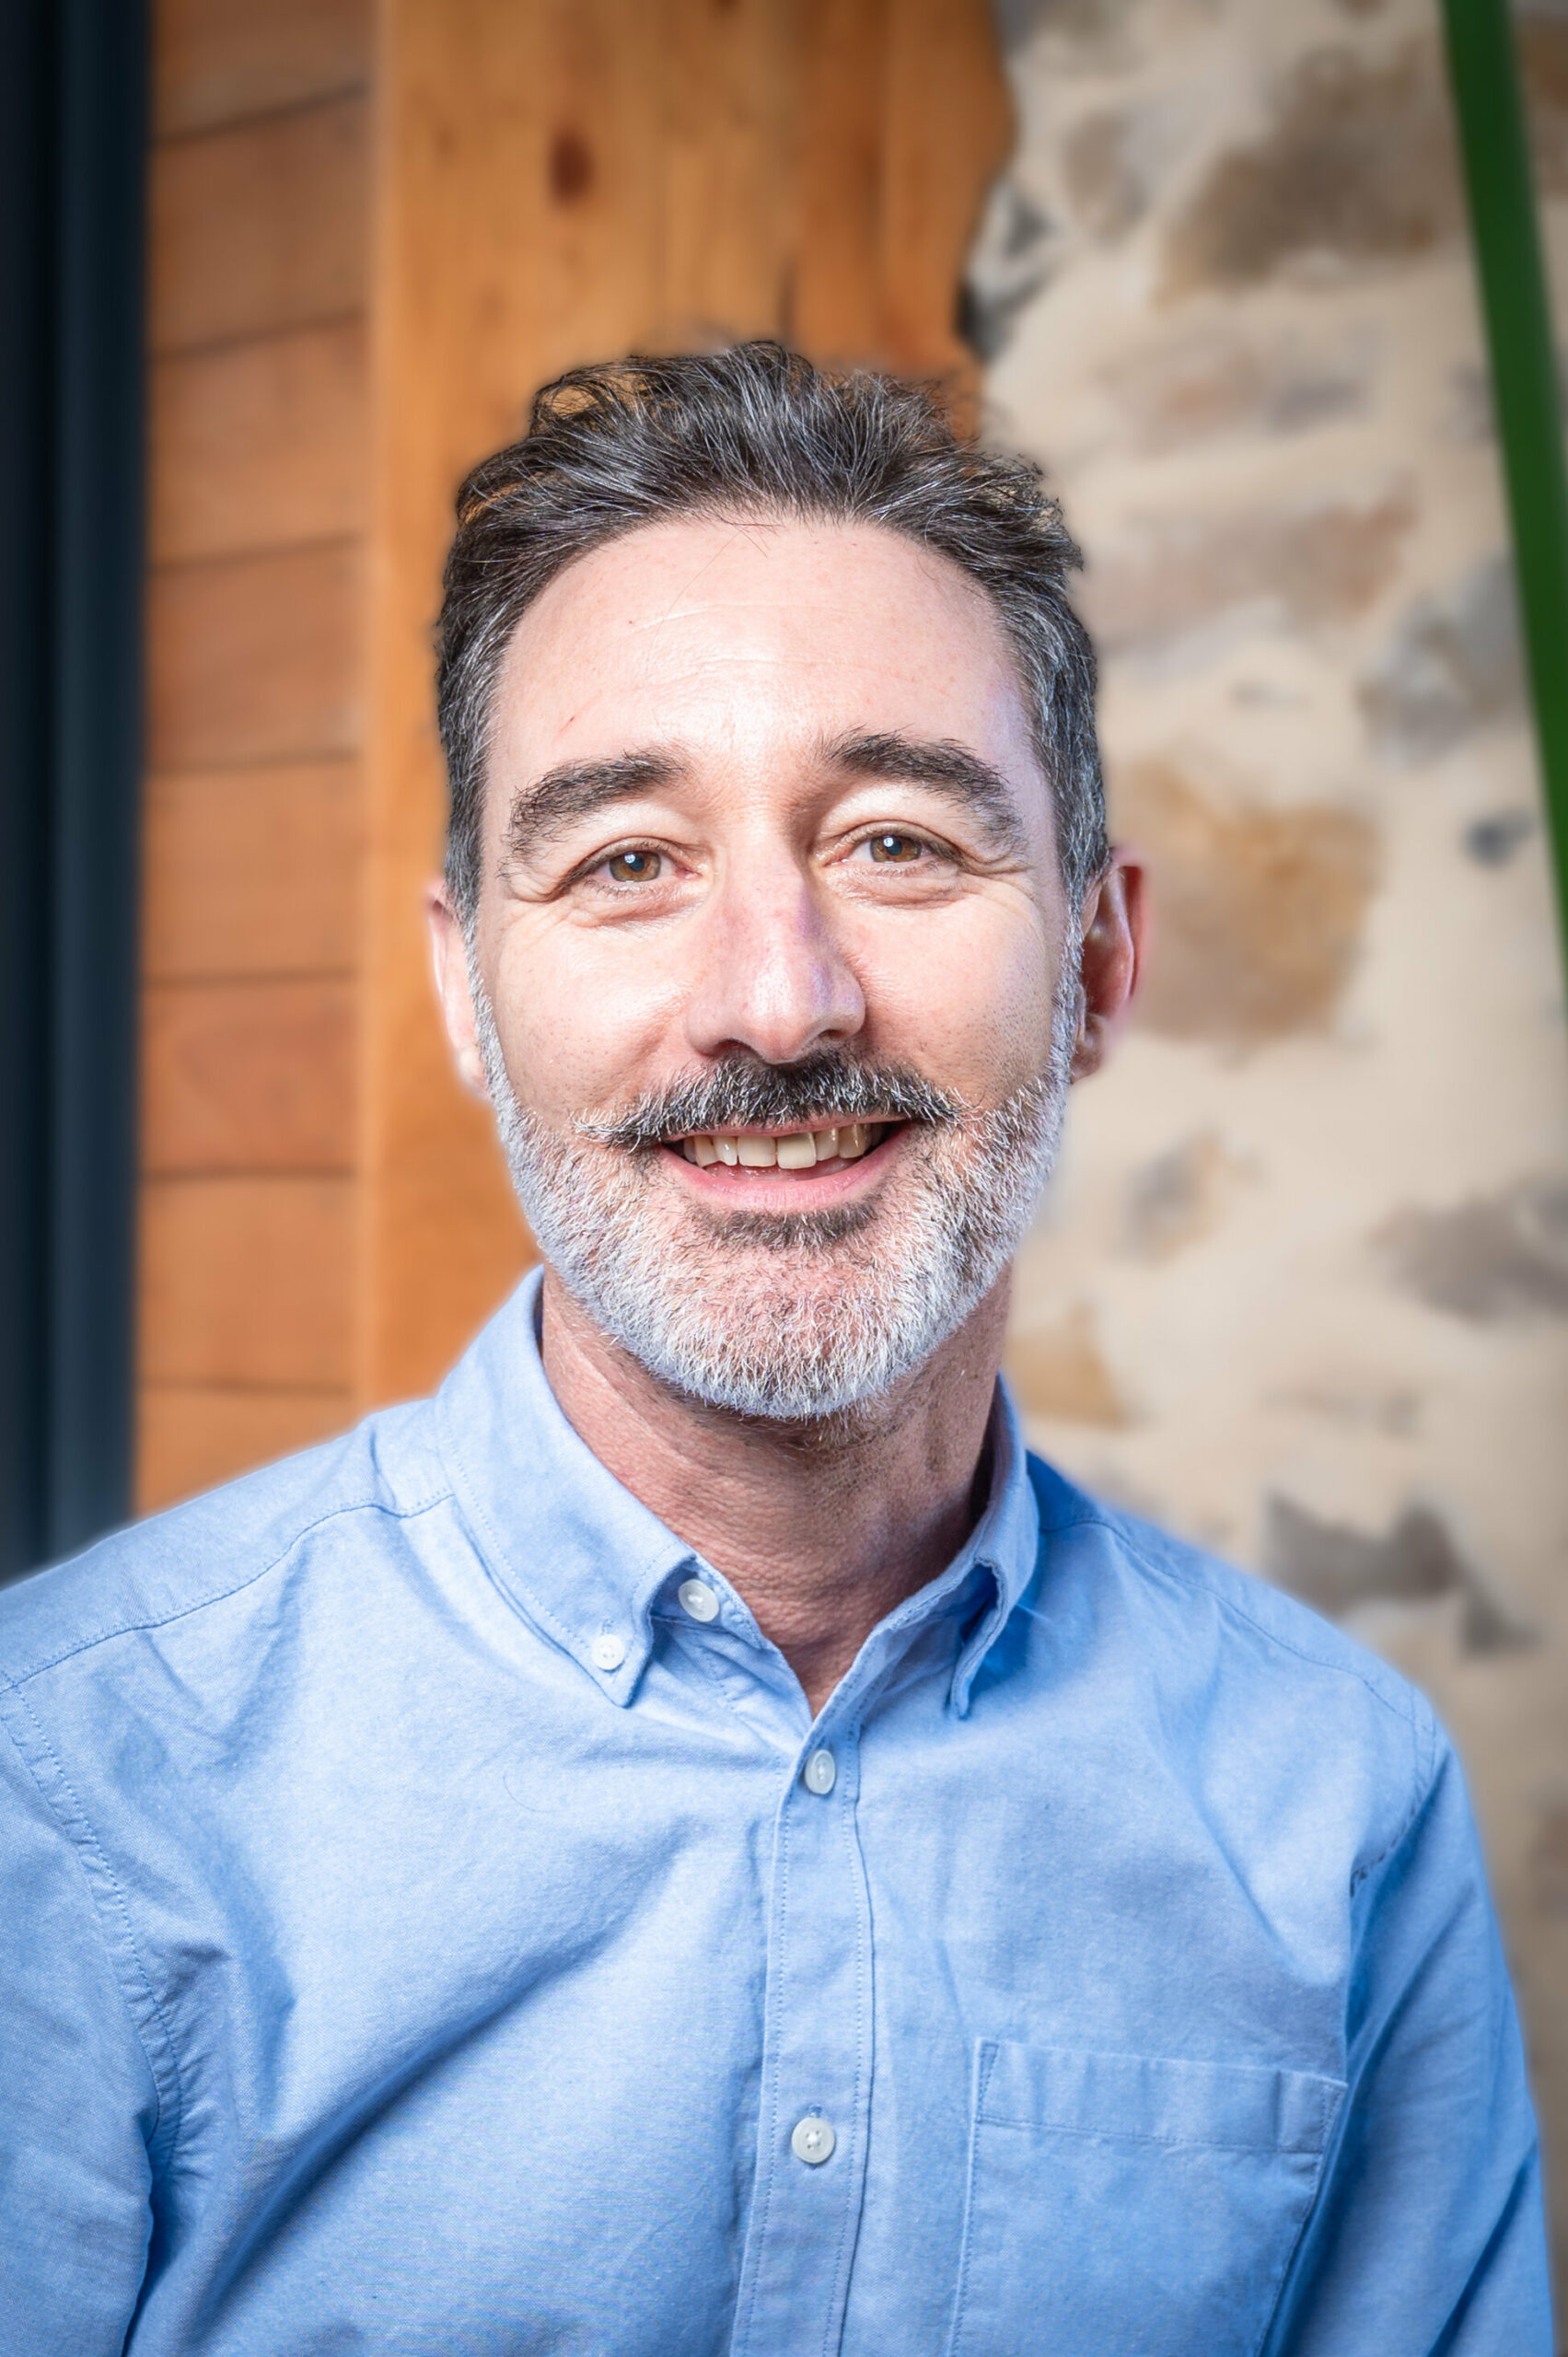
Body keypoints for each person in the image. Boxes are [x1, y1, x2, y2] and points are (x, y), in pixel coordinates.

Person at [0, 343, 1550, 2355]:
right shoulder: (65, 1786)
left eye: (900, 839)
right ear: (469, 989)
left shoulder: (1340, 1807)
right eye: (628, 858)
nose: (777, 999)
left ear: (1095, 958)